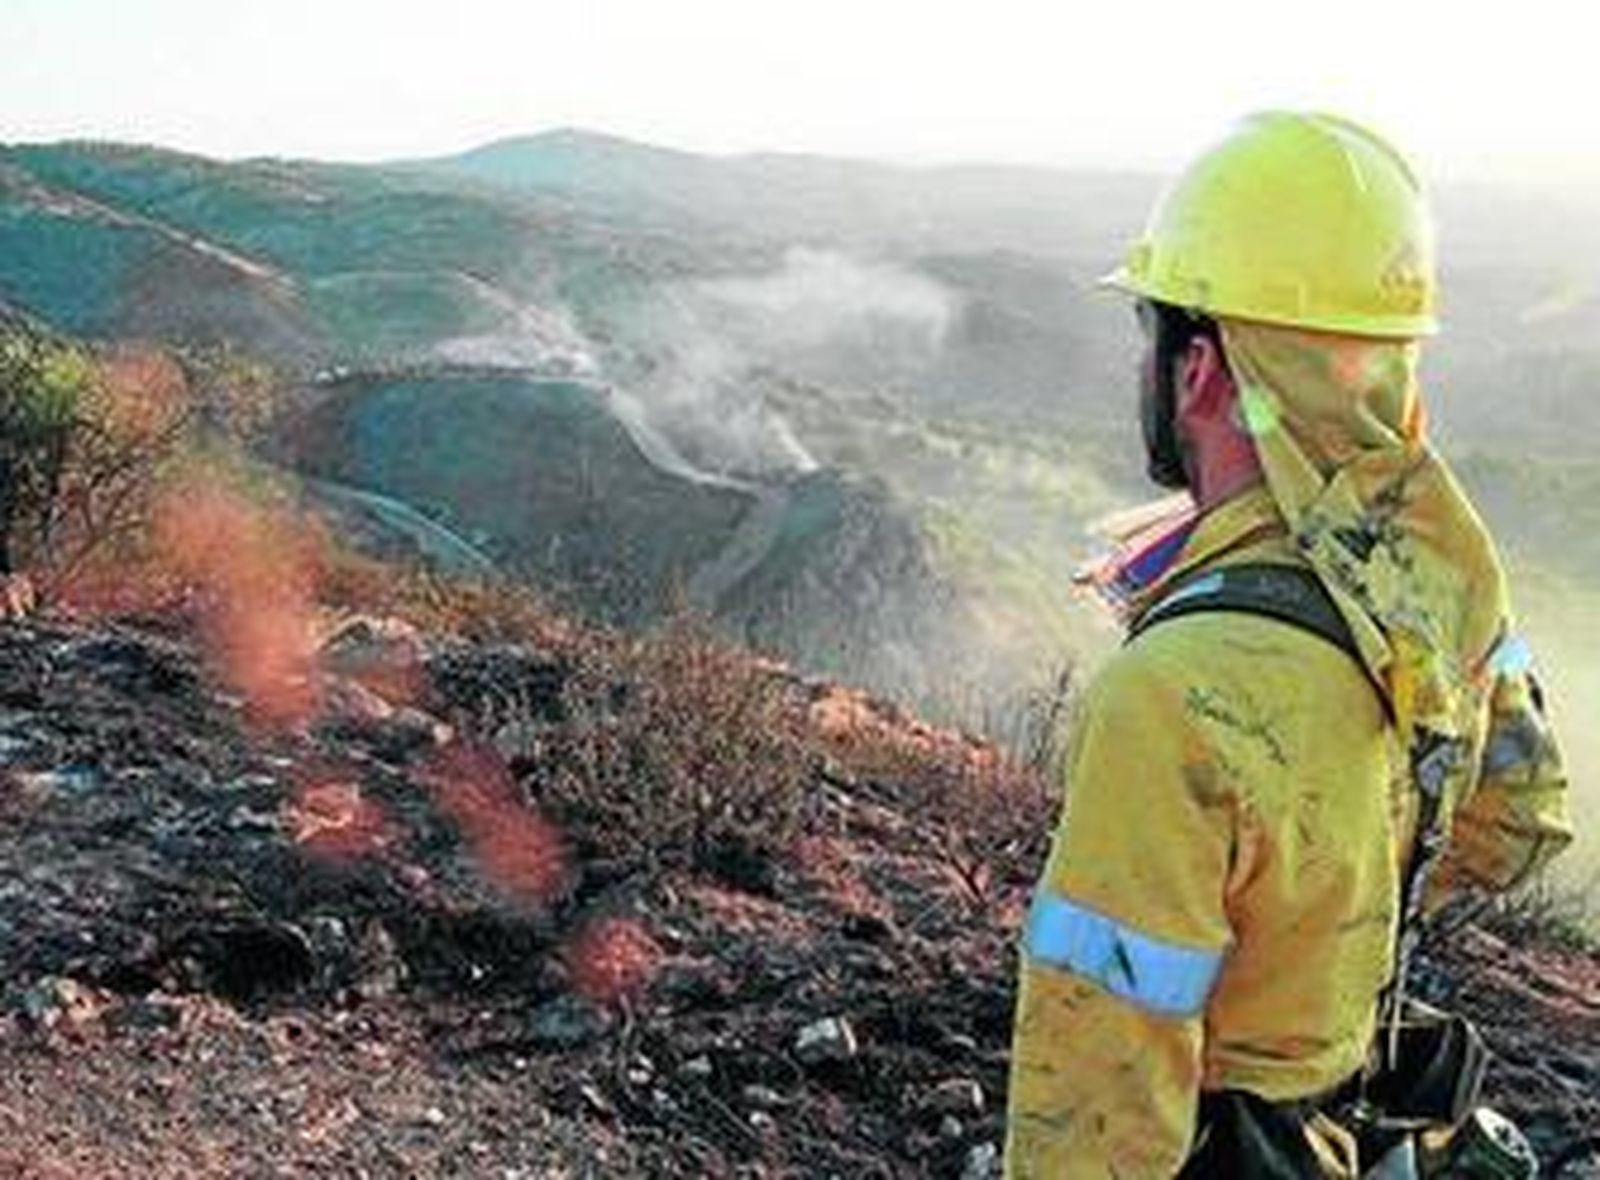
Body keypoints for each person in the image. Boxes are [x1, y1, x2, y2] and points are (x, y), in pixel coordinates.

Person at [1004, 111, 1574, 1177]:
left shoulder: (1172, 694)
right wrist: (1333, 915)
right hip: (1351, 1129)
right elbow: (1519, 822)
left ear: (1203, 367)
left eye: (1156, 329)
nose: (1151, 360)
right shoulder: (1438, 587)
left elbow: (1096, 1098)